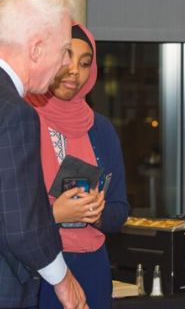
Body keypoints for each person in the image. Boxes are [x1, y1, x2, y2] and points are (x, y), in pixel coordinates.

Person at [0, 0, 89, 309]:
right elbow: (20, 224)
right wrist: (63, 280)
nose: (67, 63)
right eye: (65, 49)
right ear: (36, 48)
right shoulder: (15, 114)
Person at [28, 24, 129, 309]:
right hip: (37, 268)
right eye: (66, 57)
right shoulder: (21, 120)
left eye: (85, 63)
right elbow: (9, 214)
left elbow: (119, 211)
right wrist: (55, 213)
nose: (75, 70)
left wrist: (97, 213)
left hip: (92, 266)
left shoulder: (101, 128)